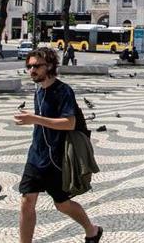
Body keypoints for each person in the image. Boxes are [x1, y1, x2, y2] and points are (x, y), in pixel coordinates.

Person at [14, 47, 103, 242]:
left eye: (36, 66)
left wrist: (35, 119)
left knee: (62, 204)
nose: (32, 70)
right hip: (36, 156)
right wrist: (34, 120)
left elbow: (69, 123)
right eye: (29, 66)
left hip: (58, 159)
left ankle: (92, 230)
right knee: (26, 201)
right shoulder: (38, 90)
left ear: (50, 65)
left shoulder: (63, 91)